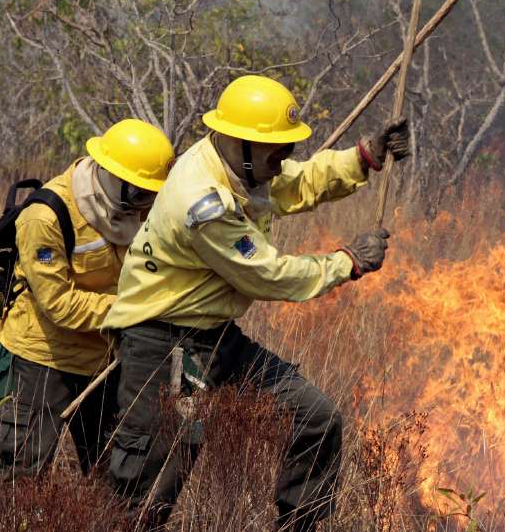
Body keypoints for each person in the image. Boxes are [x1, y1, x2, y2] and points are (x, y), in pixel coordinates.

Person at [101, 75, 408, 530]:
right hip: (165, 345)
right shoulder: (202, 200)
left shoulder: (239, 165)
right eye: (276, 149)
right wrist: (349, 262)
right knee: (155, 482)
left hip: (215, 338)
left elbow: (294, 183)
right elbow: (267, 274)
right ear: (238, 141)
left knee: (316, 417)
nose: (283, 158)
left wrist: (363, 157)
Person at [0, 118, 175, 480]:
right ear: (110, 176)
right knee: (23, 476)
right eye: (139, 193)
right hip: (41, 360)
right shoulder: (45, 216)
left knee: (116, 474)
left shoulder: (137, 211)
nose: (146, 204)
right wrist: (135, 310)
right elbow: (58, 303)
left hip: (105, 357)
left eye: (153, 194)